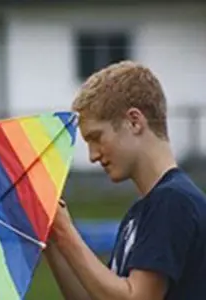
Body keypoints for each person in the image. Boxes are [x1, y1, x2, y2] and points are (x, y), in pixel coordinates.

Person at [45, 61, 206, 300]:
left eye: (96, 138)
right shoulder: (140, 213)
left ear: (134, 121)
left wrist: (67, 232)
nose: (93, 156)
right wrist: (53, 236)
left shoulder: (172, 201)